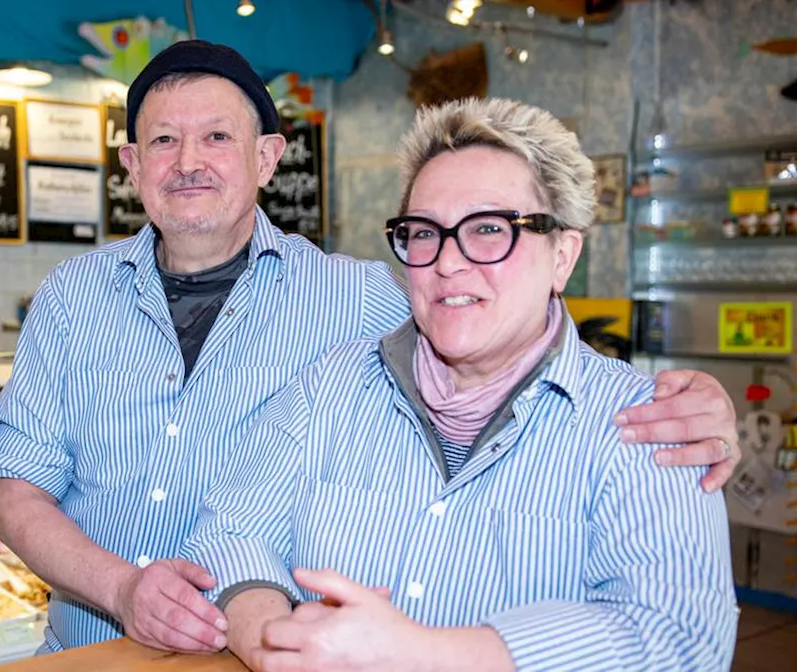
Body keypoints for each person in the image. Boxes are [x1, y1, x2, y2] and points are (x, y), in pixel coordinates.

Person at [0, 40, 740, 655]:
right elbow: (20, 489)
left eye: (216, 137)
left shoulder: (363, 296)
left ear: (269, 158)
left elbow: (505, 329)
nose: (188, 161)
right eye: (163, 140)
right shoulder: (72, 296)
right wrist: (127, 590)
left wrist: (695, 396)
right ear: (131, 164)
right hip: (99, 647)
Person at [182, 98, 736, 671]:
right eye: (424, 233)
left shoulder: (649, 424)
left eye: (491, 229)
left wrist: (426, 655)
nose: (448, 262)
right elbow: (227, 534)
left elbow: (681, 636)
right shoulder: (331, 386)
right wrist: (278, 643)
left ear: (563, 256)